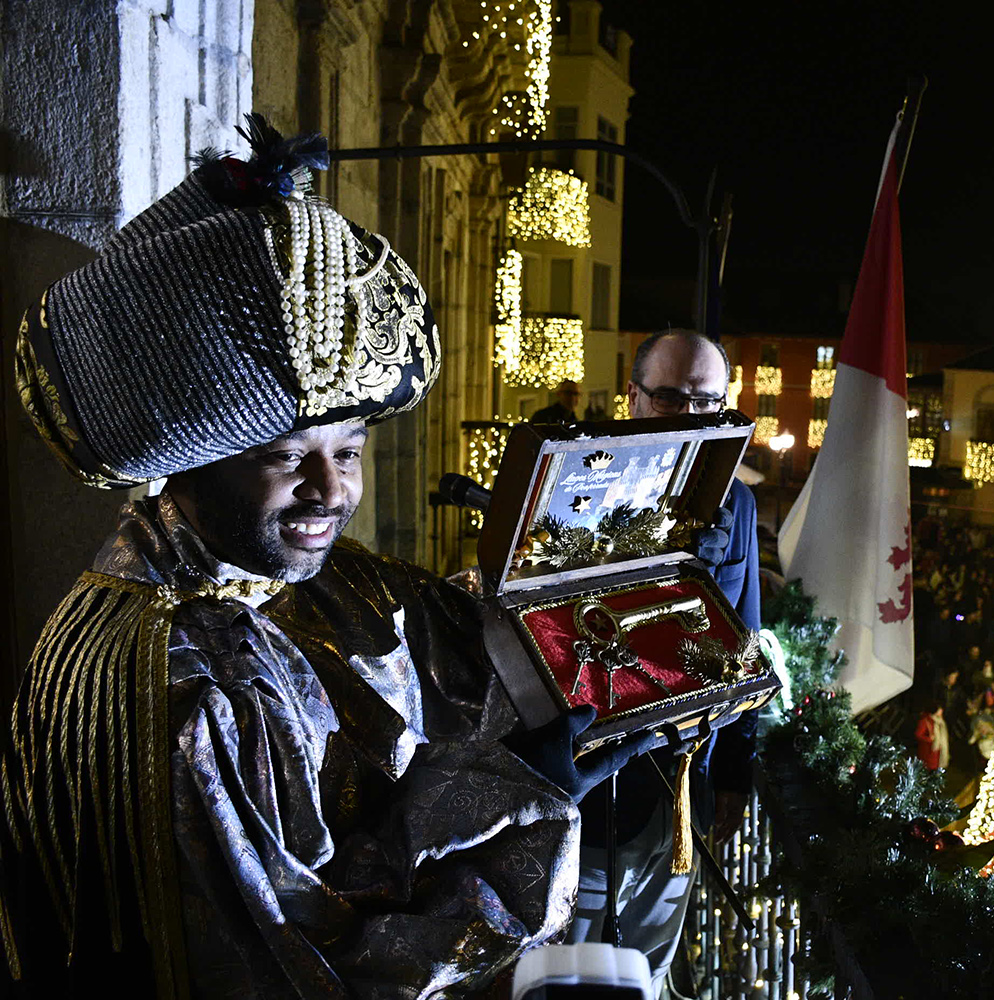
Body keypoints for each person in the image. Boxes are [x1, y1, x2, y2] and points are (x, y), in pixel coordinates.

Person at [0, 116, 648, 997]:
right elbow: (311, 964)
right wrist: (517, 798)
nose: (331, 491)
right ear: (194, 463)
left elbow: (441, 636)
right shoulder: (183, 685)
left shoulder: (291, 569)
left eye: (348, 452)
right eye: (286, 457)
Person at [566, 328, 761, 993]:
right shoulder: (577, 487)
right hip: (590, 785)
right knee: (565, 969)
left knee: (642, 972)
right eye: (671, 397)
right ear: (634, 395)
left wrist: (736, 770)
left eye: (708, 403)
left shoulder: (736, 503)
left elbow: (747, 638)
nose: (690, 417)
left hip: (679, 793)